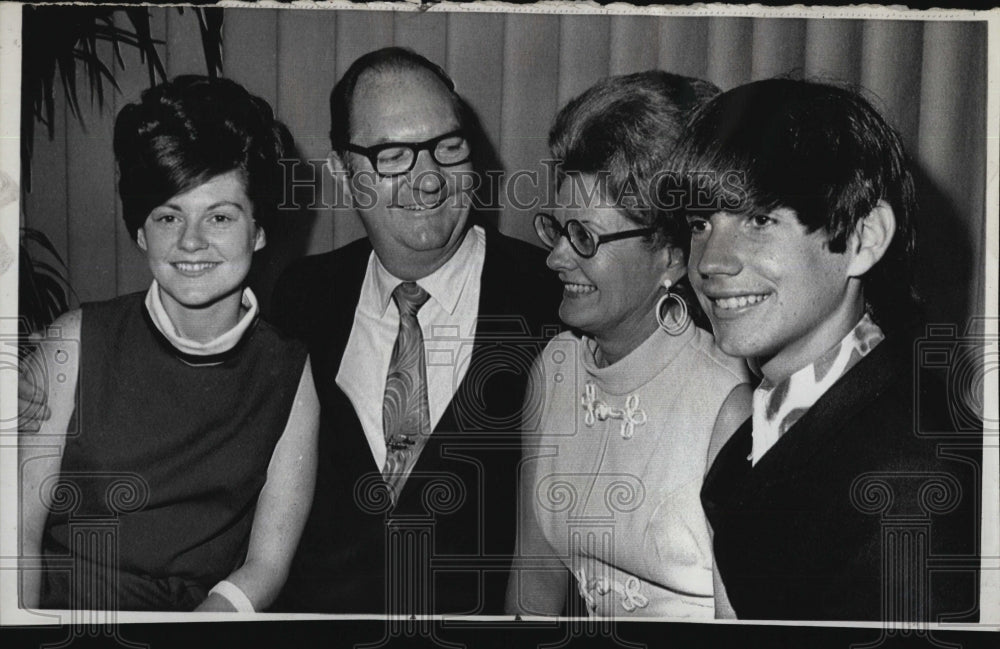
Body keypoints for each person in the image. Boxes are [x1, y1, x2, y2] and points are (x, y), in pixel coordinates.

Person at [668, 78, 980, 621]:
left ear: (862, 239)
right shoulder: (782, 415)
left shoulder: (910, 481)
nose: (711, 262)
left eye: (760, 219)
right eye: (700, 223)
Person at [269, 48, 562, 614]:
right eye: (393, 155)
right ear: (343, 172)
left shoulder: (547, 300)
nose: (428, 180)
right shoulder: (302, 298)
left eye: (447, 148)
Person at [18, 76, 319, 612]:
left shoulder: (289, 375)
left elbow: (267, 564)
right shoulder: (71, 344)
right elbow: (16, 536)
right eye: (167, 216)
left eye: (221, 217)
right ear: (140, 231)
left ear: (260, 230)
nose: (191, 242)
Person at [504, 71, 751, 618]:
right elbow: (535, 582)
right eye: (556, 228)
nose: (555, 259)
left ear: (673, 254)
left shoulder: (730, 402)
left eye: (585, 238)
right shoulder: (555, 369)